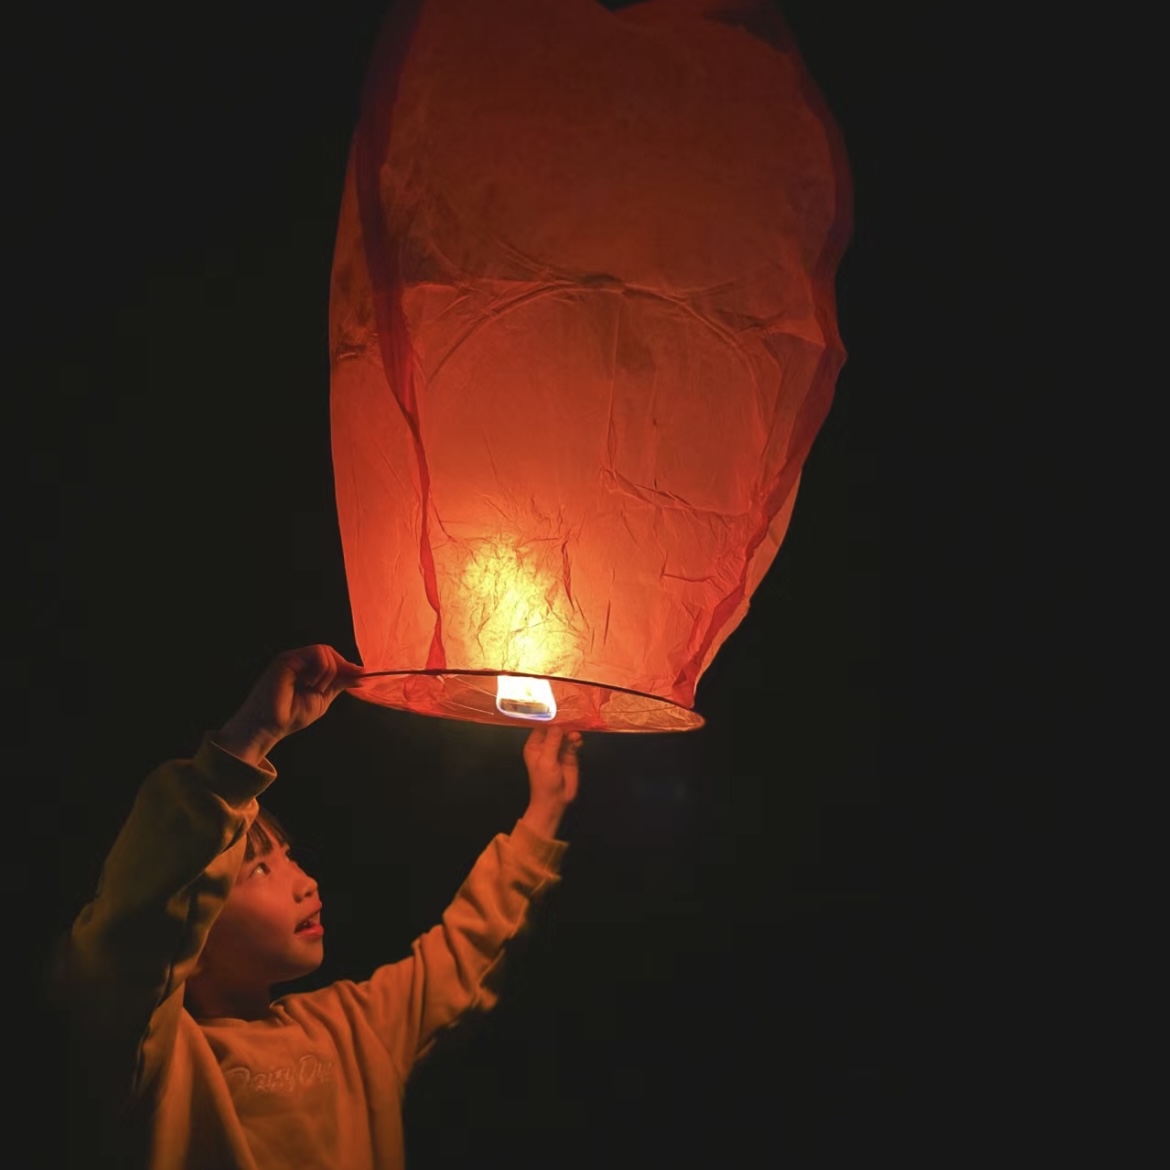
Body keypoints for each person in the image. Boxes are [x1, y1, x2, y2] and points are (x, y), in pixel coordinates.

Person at [54, 644, 581, 1169]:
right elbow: (136, 923)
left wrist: (543, 812)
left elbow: (465, 955)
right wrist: (248, 742)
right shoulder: (152, 1064)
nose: (306, 883)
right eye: (259, 869)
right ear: (191, 917)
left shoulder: (350, 1028)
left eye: (290, 858)